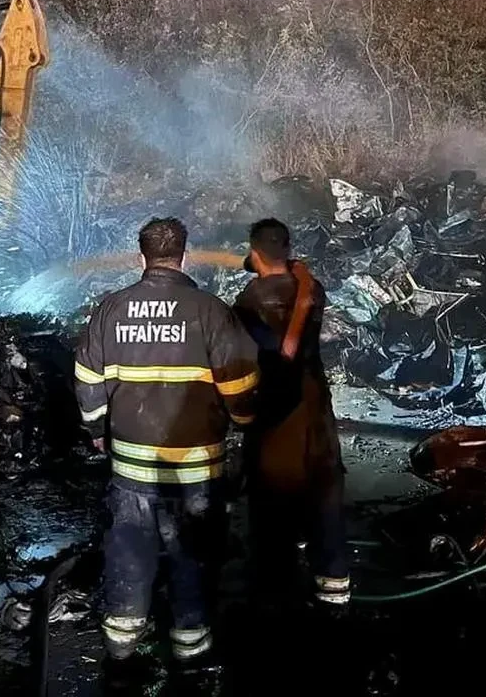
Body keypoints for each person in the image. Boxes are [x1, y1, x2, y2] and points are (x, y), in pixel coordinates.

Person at [74, 217, 260, 667]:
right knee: (192, 551)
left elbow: (87, 380)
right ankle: (190, 645)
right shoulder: (211, 311)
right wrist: (243, 422)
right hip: (197, 465)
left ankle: (121, 643)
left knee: (129, 547)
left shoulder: (111, 309)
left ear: (142, 257)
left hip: (131, 464)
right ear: (184, 255)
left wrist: (97, 431)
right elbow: (240, 385)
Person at [234, 218, 350, 608]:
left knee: (271, 494)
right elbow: (300, 289)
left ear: (255, 252)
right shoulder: (312, 289)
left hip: (274, 406)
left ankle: (276, 590)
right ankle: (334, 579)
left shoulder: (249, 299)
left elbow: (250, 351)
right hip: (315, 405)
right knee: (324, 485)